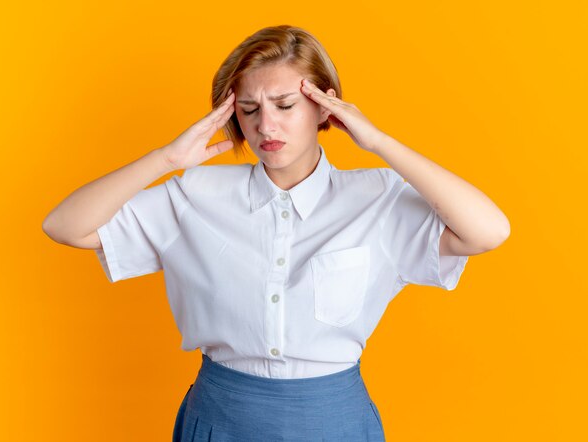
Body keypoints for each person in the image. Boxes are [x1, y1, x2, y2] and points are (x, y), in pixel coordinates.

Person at [42, 24, 510, 441]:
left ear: (326, 108)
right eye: (248, 110)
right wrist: (166, 160)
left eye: (285, 105)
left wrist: (378, 142)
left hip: (336, 422)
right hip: (219, 417)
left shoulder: (379, 199)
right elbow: (64, 225)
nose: (266, 125)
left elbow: (488, 231)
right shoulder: (195, 195)